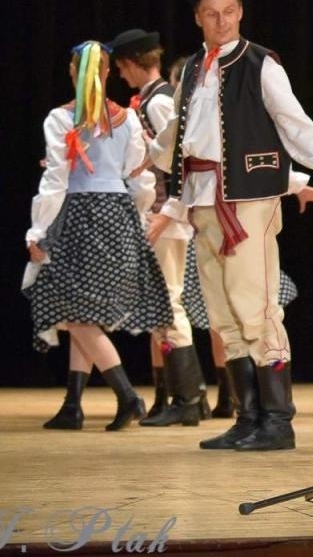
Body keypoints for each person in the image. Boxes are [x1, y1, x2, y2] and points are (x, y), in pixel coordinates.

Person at [155, 0, 313, 453]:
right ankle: (248, 416)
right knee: (222, 312)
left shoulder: (260, 62)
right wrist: (141, 150)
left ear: (240, 13)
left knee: (255, 306)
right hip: (201, 198)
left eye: (229, 12)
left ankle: (278, 420)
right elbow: (179, 132)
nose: (221, 21)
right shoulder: (195, 66)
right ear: (198, 19)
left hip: (248, 199)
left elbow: (292, 121)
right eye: (211, 14)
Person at [25, 40, 173, 431]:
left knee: (73, 311)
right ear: (107, 72)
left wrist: (38, 229)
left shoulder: (61, 119)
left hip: (78, 215)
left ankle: (127, 395)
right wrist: (136, 219)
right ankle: (73, 404)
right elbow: (139, 179)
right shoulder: (126, 119)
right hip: (117, 214)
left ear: (73, 73)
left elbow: (55, 179)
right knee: (82, 313)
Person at [111, 28, 203, 427]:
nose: (120, 73)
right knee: (161, 305)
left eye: (121, 66)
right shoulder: (151, 100)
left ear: (131, 63)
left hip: (170, 215)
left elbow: (184, 157)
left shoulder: (161, 101)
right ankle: (176, 397)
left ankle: (188, 398)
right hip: (161, 214)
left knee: (169, 302)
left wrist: (168, 211)